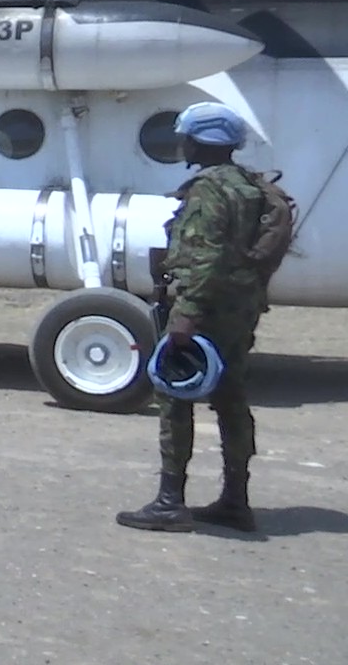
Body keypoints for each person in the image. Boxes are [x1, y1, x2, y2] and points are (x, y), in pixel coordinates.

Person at [117, 102, 270, 533]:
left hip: (204, 311)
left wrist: (185, 316)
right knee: (231, 399)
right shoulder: (247, 185)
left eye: (185, 136)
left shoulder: (208, 190)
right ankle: (236, 501)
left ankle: (170, 503)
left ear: (201, 141)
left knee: (173, 399)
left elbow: (206, 257)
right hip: (238, 310)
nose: (180, 143)